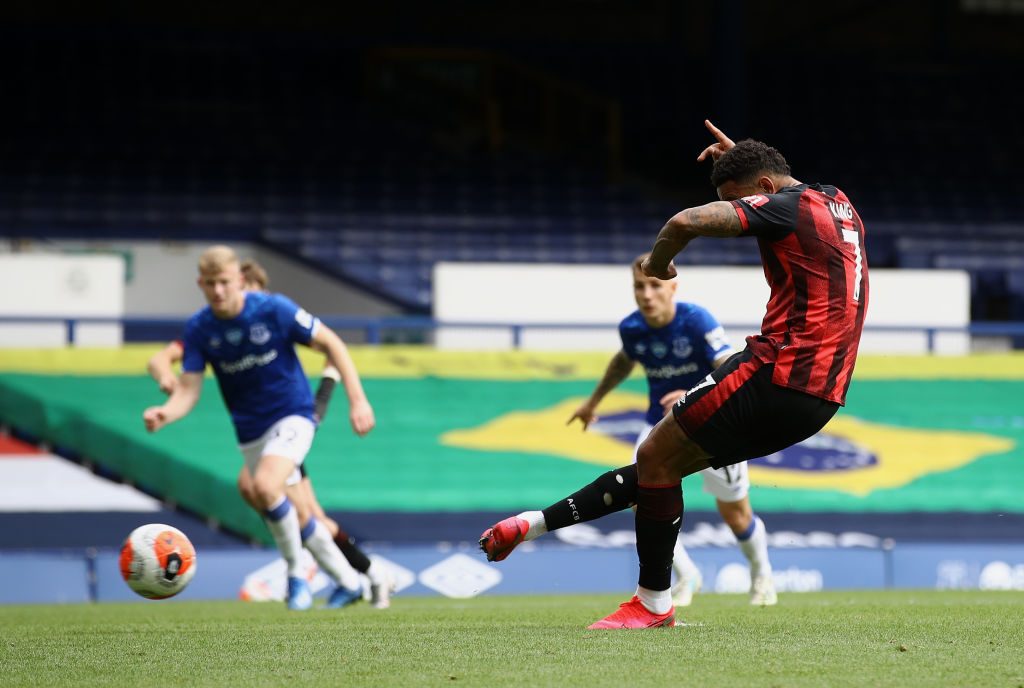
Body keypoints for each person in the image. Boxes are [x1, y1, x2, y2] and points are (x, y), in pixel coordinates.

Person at [480, 120, 869, 628]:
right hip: (822, 396)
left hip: (780, 370)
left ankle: (654, 603)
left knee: (656, 457)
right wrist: (744, 160)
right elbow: (781, 184)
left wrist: (659, 262)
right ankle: (533, 527)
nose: (744, 208)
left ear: (766, 191)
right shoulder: (836, 200)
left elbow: (684, 222)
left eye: (745, 198)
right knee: (660, 467)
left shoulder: (781, 210)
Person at [146, 259, 395, 608]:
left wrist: (355, 398)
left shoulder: (274, 312)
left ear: (242, 284)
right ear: (203, 284)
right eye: (213, 284)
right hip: (254, 430)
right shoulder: (203, 328)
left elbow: (330, 357)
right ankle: (351, 580)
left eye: (231, 285)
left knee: (273, 492)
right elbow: (164, 362)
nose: (224, 293)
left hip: (293, 420)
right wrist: (166, 396)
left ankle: (346, 576)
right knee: (275, 499)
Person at [566, 253, 776, 607]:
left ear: (672, 287)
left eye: (655, 285)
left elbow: (729, 365)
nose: (647, 295)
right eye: (639, 286)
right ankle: (687, 575)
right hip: (658, 427)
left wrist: (693, 393)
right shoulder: (632, 328)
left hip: (711, 424)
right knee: (639, 498)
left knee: (734, 512)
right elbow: (623, 360)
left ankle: (762, 575)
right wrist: (593, 402)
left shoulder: (696, 321)